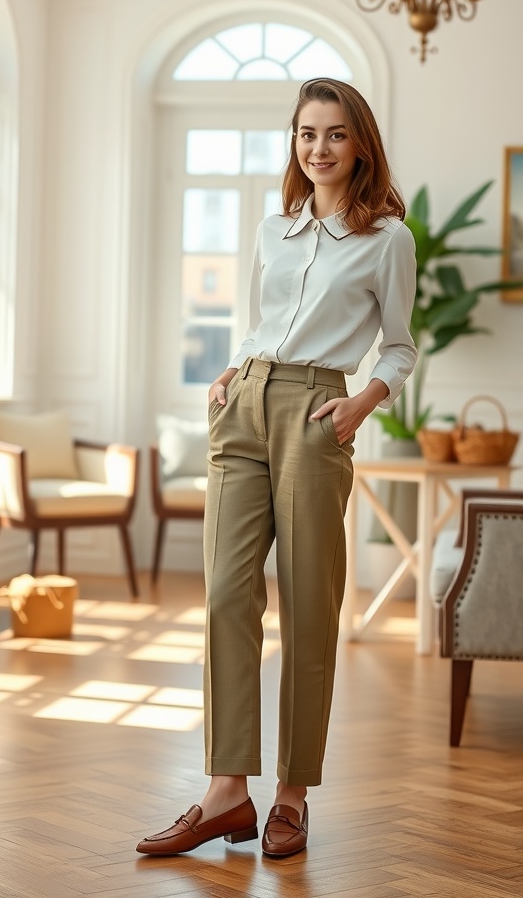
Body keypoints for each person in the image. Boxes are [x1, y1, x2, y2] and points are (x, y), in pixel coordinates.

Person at [136, 77, 417, 858]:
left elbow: (399, 343)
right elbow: (257, 321)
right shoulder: (274, 228)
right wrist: (229, 371)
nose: (318, 148)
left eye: (333, 133)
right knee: (227, 592)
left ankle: (292, 792)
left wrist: (364, 402)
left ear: (359, 142)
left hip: (318, 408)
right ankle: (228, 792)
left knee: (307, 604)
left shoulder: (387, 237)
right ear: (293, 143)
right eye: (305, 134)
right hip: (246, 402)